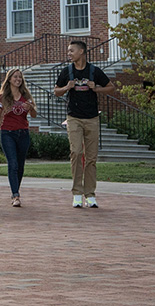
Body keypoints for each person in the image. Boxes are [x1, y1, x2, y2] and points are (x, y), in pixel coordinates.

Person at [53, 38, 111, 209]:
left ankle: (90, 194)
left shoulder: (94, 71)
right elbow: (56, 91)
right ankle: (77, 193)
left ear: (82, 52)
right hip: (74, 118)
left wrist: (96, 88)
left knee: (91, 158)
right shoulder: (67, 71)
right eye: (69, 51)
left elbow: (111, 87)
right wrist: (66, 88)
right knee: (76, 152)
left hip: (92, 118)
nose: (69, 53)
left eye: (72, 51)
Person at [0, 68, 36, 207]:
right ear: (9, 79)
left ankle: (16, 188)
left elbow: (34, 115)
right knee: (13, 164)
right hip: (8, 133)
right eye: (15, 77)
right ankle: (15, 195)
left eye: (20, 77)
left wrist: (30, 107)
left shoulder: (26, 95)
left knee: (20, 165)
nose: (18, 79)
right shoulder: (3, 97)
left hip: (23, 133)